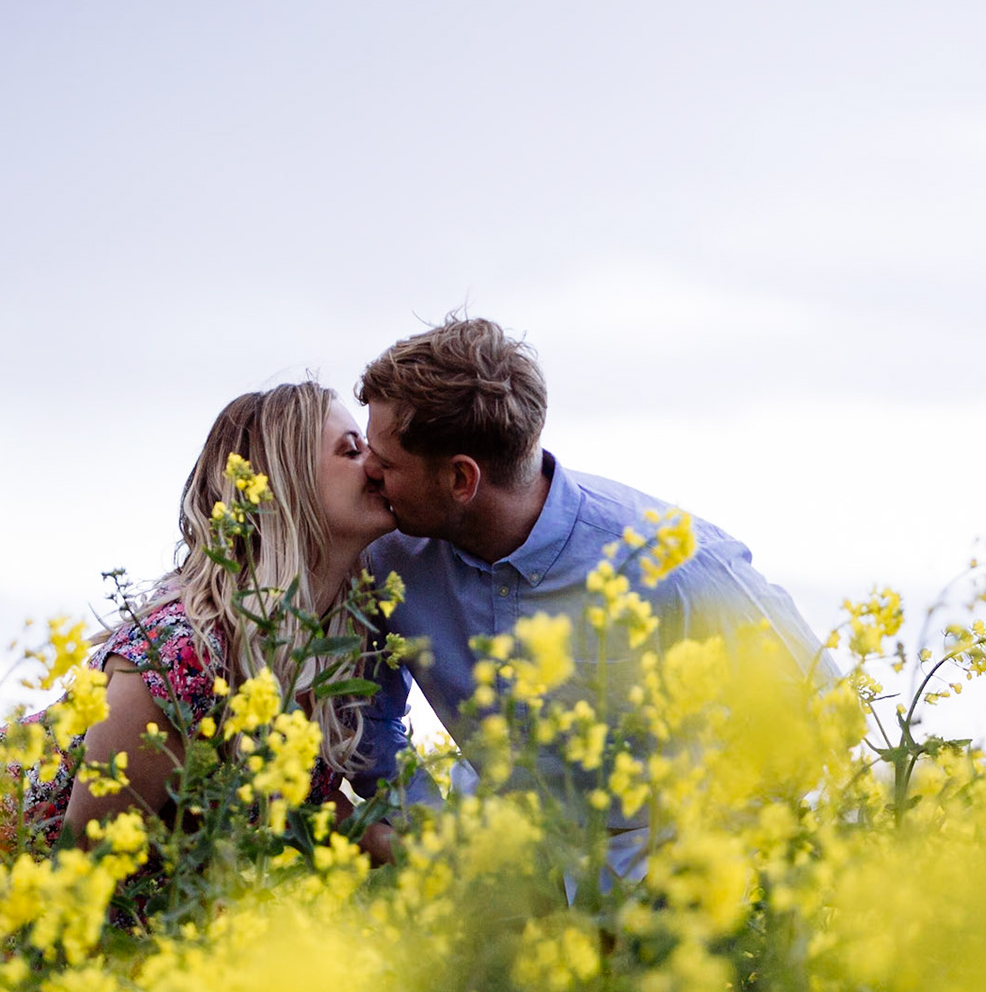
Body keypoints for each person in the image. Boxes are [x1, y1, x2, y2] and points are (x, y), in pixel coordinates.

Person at [354, 316, 827, 881]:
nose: (368, 474)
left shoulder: (678, 567)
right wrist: (441, 846)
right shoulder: (388, 553)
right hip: (496, 907)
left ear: (462, 479)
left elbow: (815, 715)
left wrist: (682, 877)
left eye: (386, 464)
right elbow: (367, 716)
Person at [0, 381, 402, 865]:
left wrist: (440, 855)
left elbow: (300, 805)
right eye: (352, 450)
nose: (377, 466)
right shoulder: (181, 657)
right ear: (285, 485)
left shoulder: (331, 647)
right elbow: (79, 863)